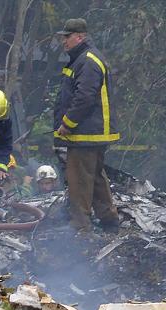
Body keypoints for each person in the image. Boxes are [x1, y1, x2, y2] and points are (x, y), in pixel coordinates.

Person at [54, 18, 120, 233]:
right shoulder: (82, 59)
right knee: (96, 176)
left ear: (80, 37)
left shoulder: (87, 61)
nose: (64, 41)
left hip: (86, 133)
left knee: (79, 180)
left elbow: (84, 97)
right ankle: (108, 219)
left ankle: (80, 227)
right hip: (92, 133)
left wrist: (67, 123)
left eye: (67, 36)